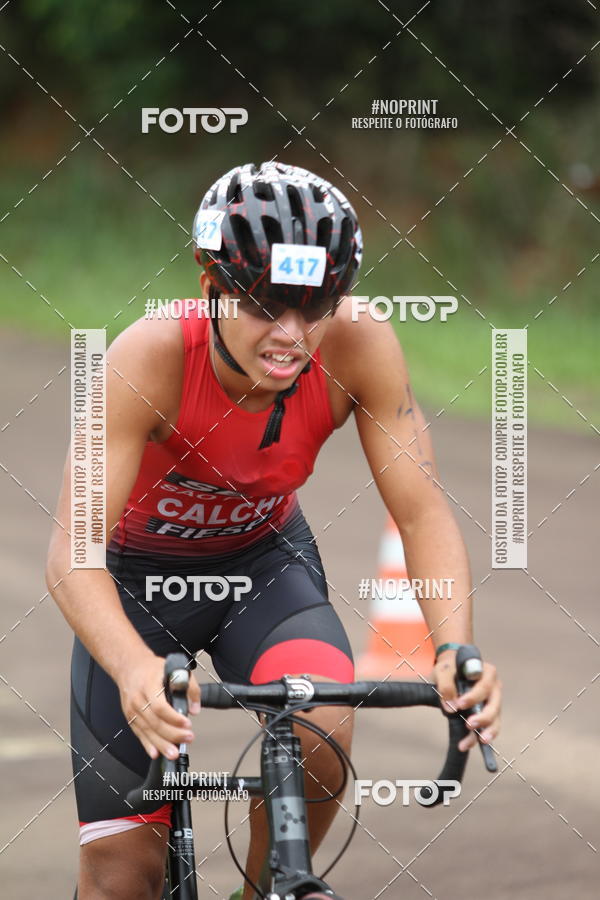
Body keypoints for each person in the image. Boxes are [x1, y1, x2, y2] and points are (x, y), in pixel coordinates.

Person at [46, 161, 502, 900]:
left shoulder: (360, 343)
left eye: (315, 305)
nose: (291, 334)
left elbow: (421, 510)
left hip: (262, 569)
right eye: (264, 304)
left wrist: (455, 647)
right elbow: (73, 552)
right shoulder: (146, 358)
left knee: (324, 723)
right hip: (133, 583)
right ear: (211, 287)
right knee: (121, 880)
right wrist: (132, 669)